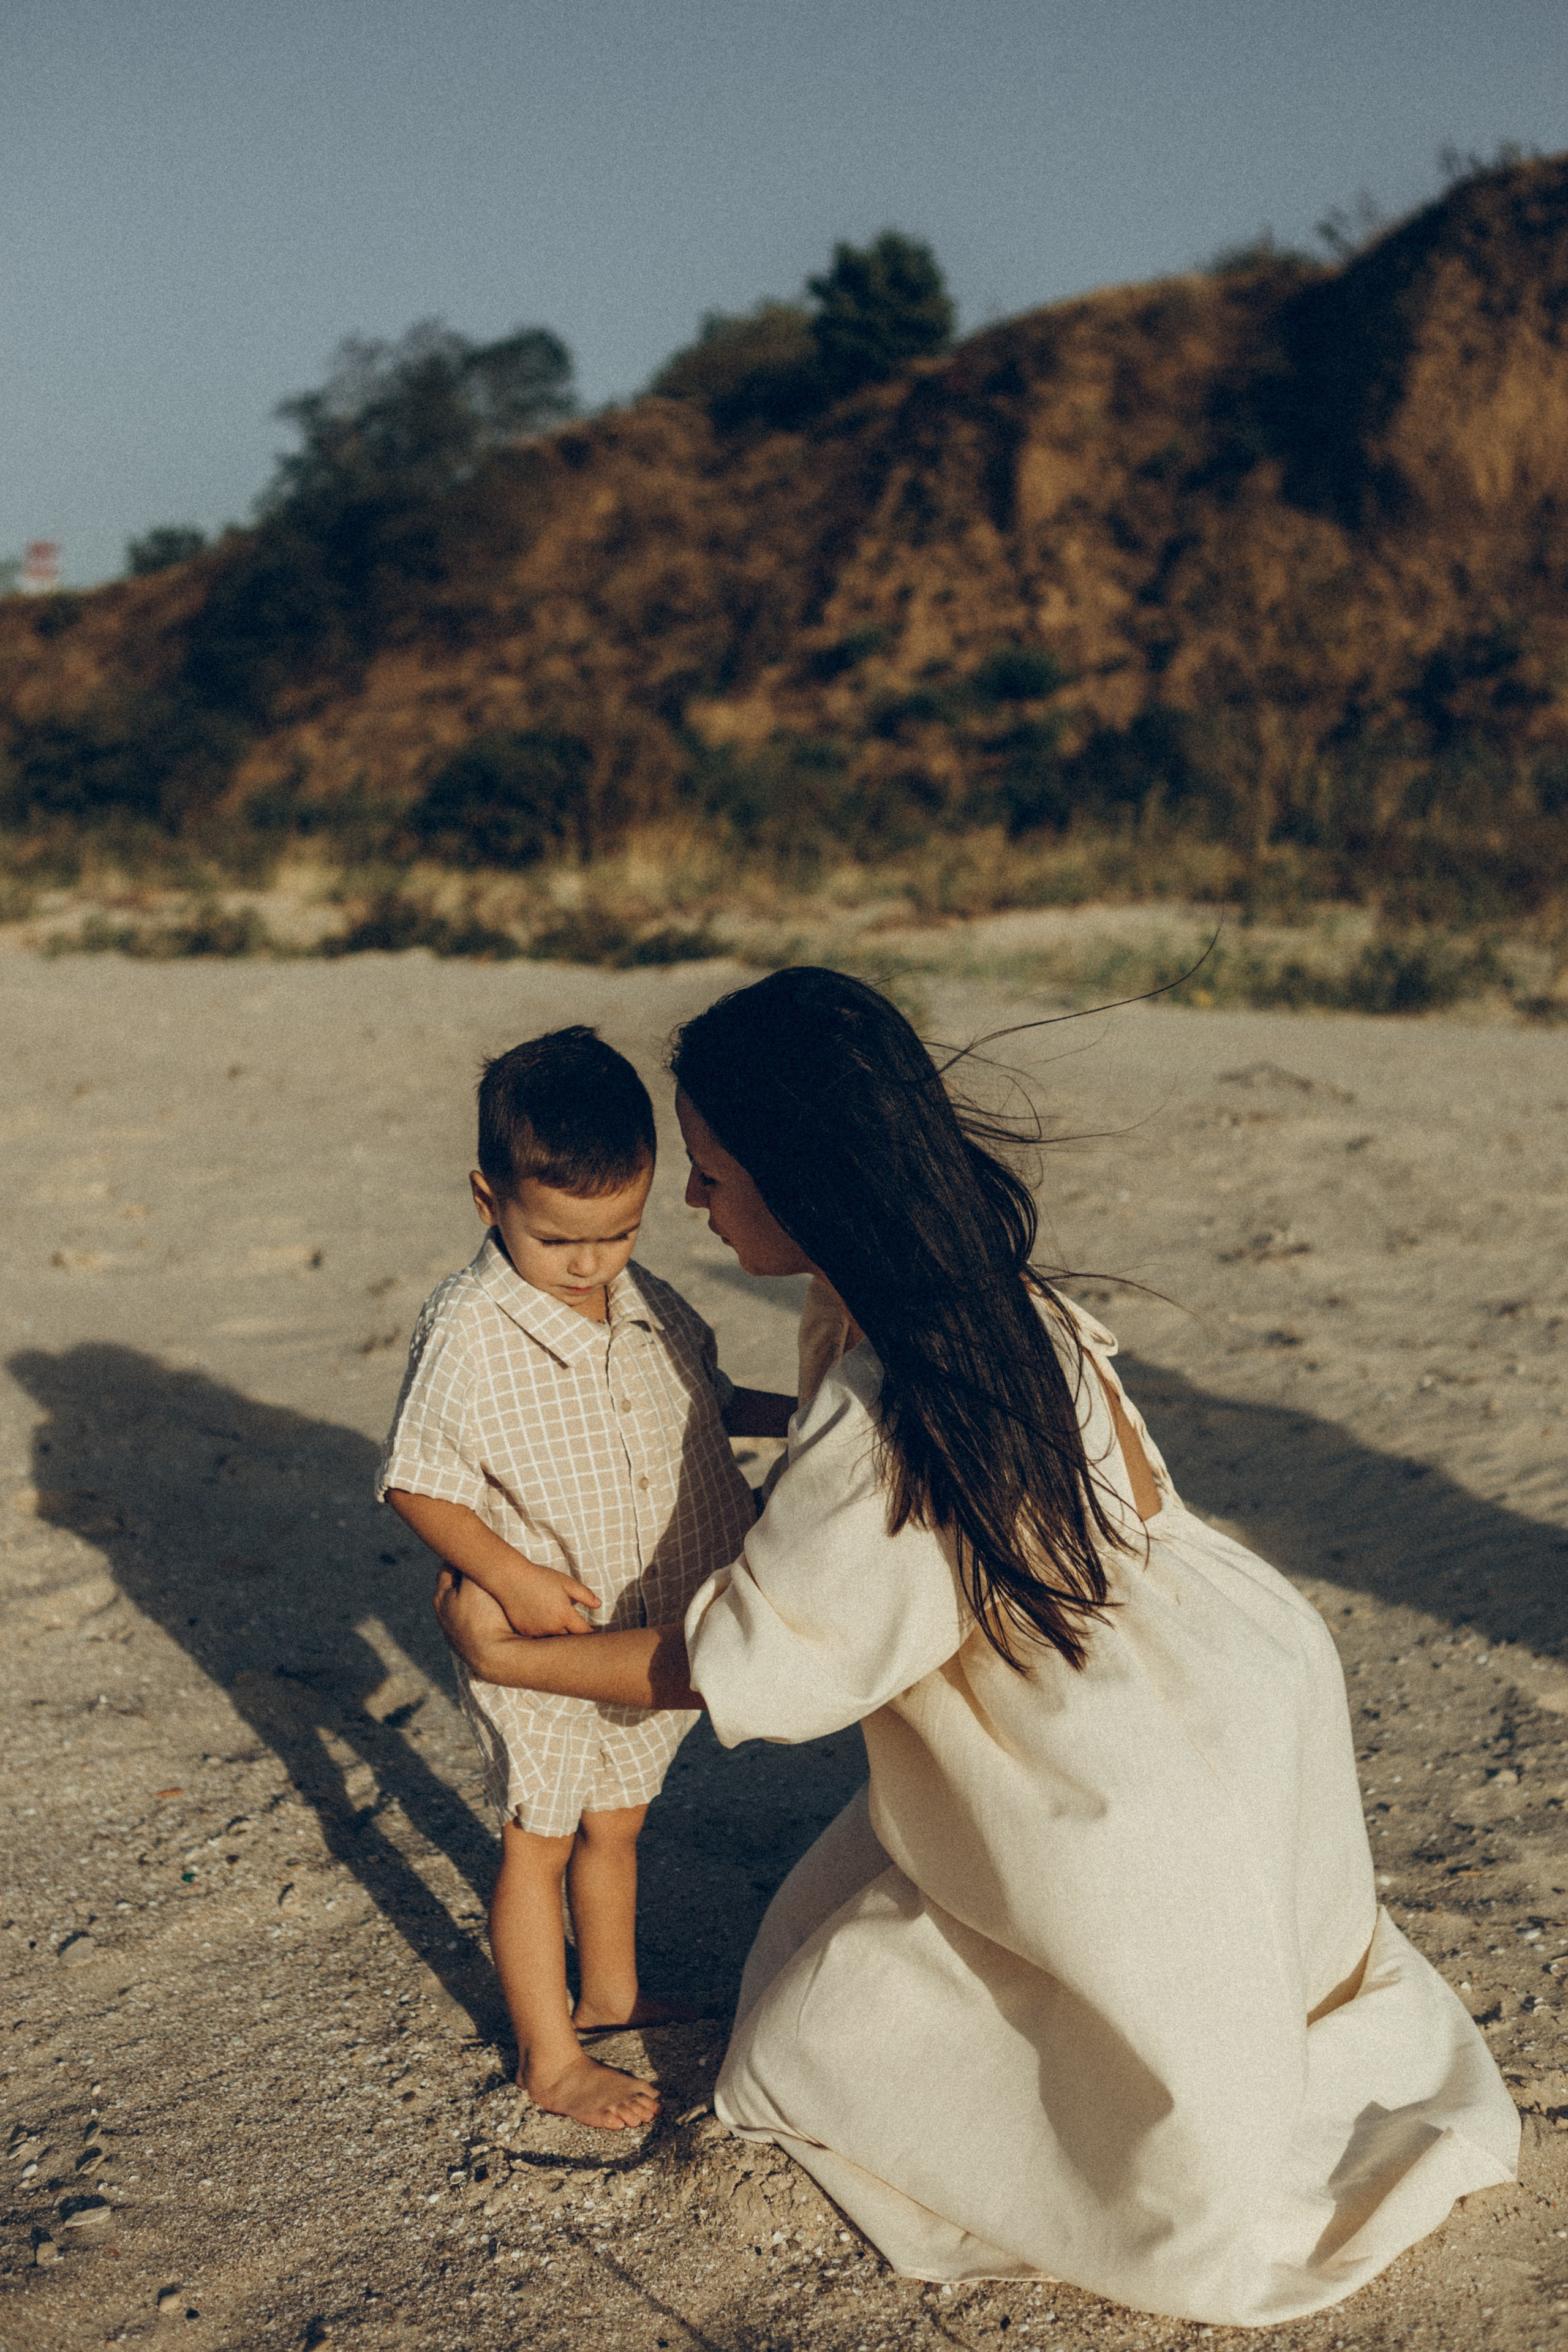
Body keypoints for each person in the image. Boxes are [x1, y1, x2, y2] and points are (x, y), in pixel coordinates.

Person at [432, 971, 1520, 2328]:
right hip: (1233, 1670)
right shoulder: (983, 1295)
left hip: (1105, 1772)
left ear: (801, 1177)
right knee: (863, 1958)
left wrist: (510, 1657)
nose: (696, 1206)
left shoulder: (895, 1415)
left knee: (799, 2056)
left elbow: (743, 1663)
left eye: (711, 1174)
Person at [379, 1025, 790, 2130]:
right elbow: (417, 1482)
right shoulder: (468, 1332)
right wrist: (506, 1576)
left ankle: (611, 1990)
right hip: (550, 1634)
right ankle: (550, 2054)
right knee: (539, 1840)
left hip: (659, 1618)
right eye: (561, 1238)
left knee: (619, 1822)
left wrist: (804, 1416)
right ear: (487, 1199)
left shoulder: (641, 1293)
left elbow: (710, 1391)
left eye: (619, 1232)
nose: (591, 1261)